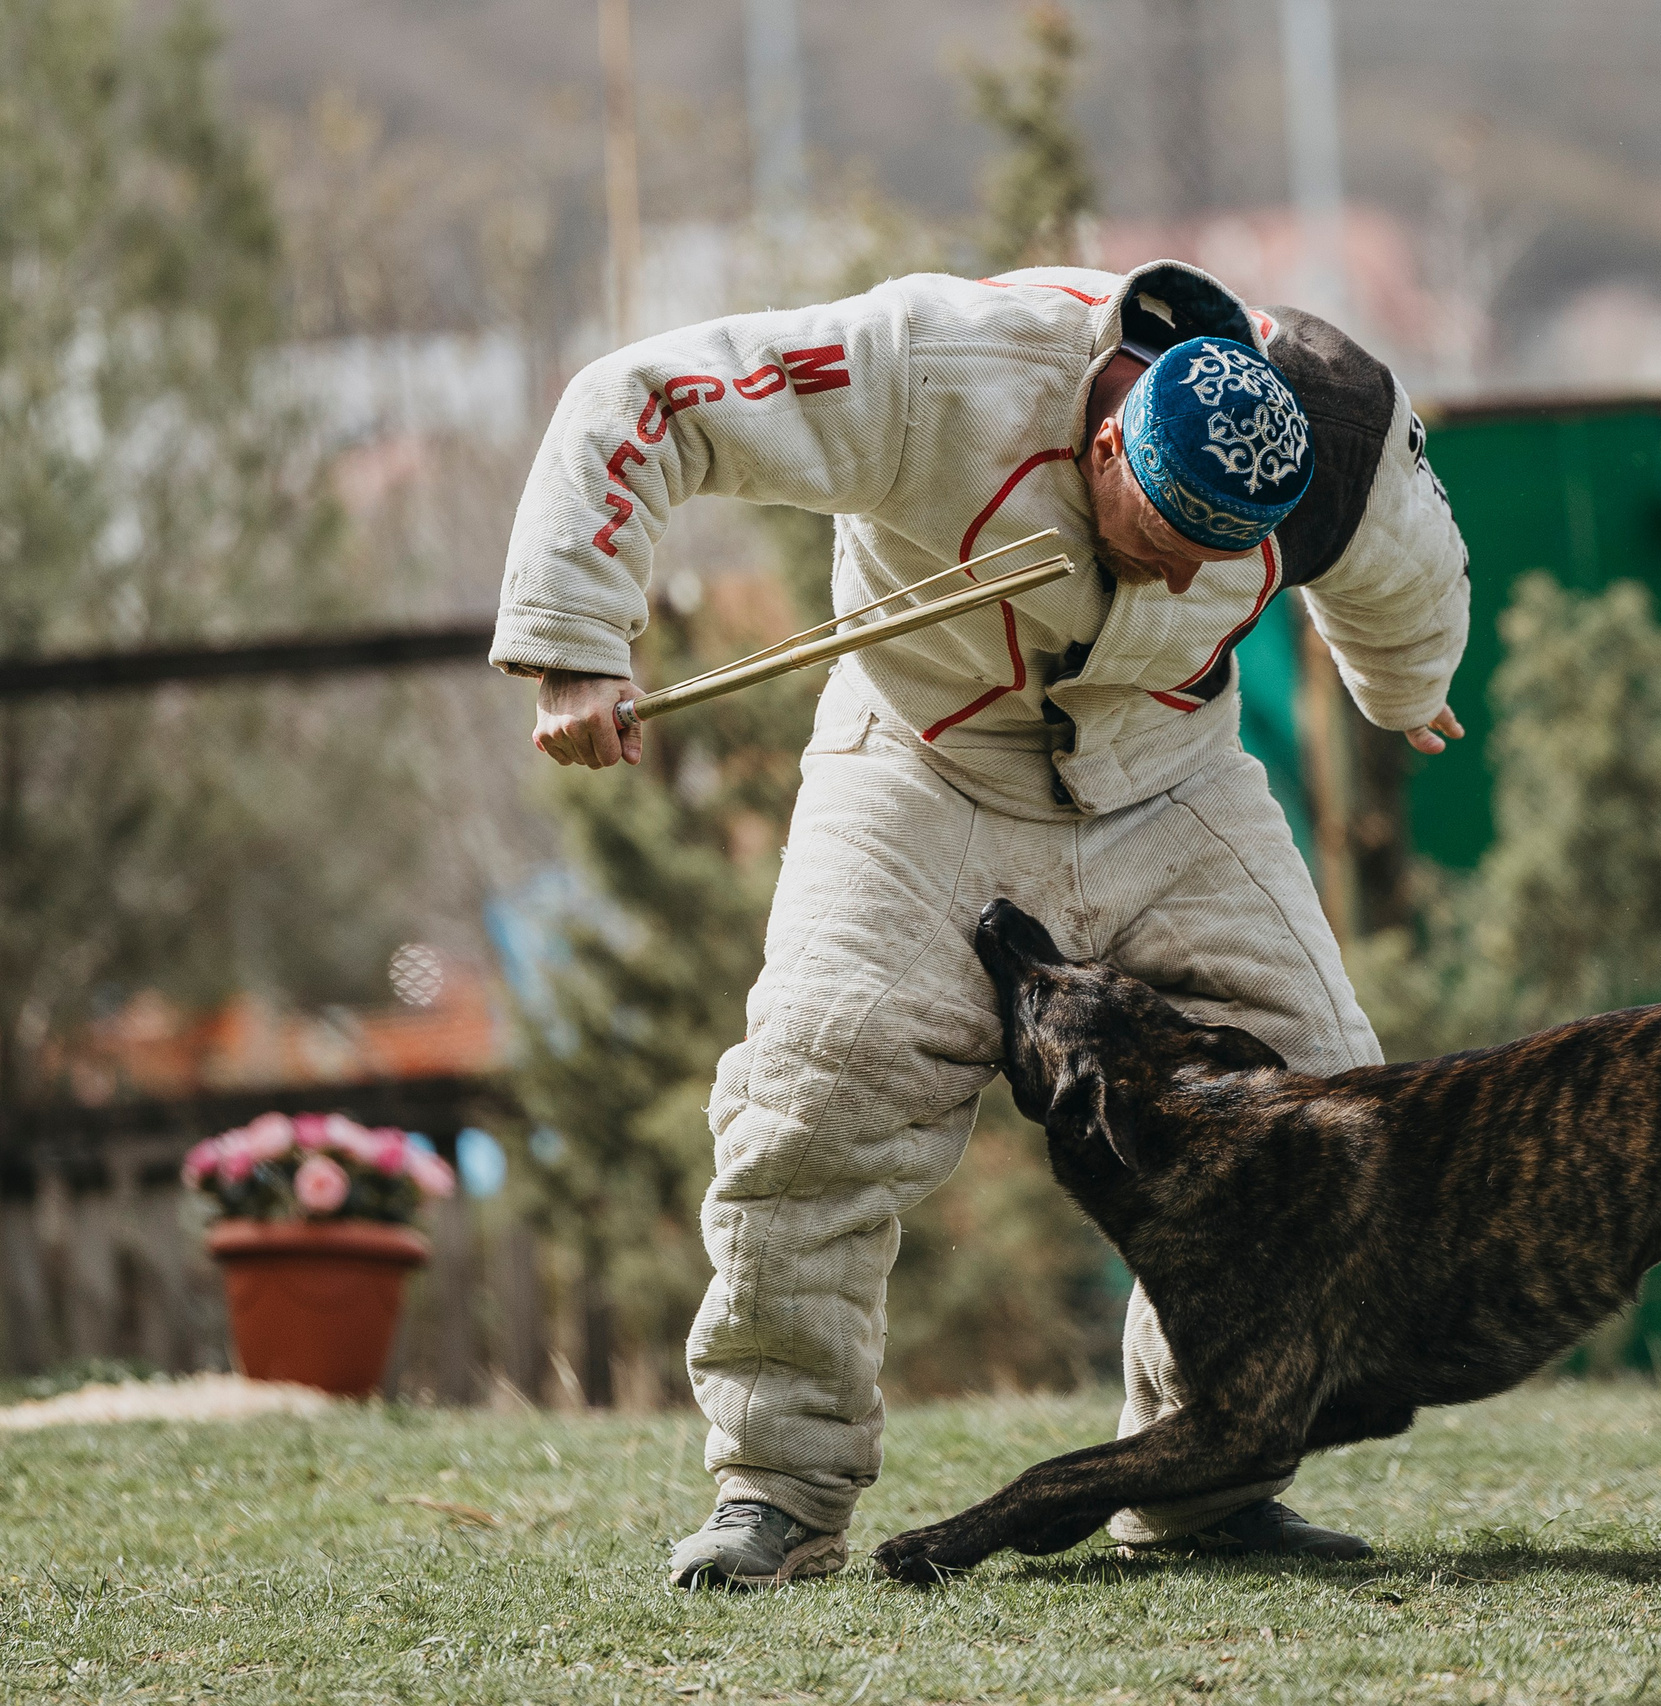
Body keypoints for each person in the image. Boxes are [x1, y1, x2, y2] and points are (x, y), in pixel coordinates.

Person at [492, 259, 1470, 1589]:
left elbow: (1398, 551)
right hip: (922, 765)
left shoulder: (1328, 428)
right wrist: (577, 638)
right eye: (1170, 522)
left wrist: (1408, 680)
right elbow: (642, 398)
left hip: (1173, 776)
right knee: (806, 1106)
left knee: (1323, 1118)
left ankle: (1208, 1482)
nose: (1192, 563)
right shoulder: (934, 367)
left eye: (1225, 545)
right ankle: (778, 1490)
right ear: (1113, 435)